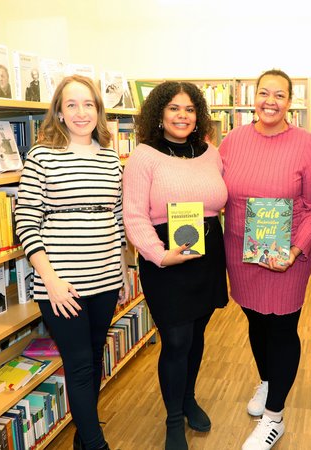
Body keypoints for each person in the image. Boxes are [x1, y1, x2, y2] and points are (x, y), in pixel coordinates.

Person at [15, 74, 129, 450]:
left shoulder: (111, 157)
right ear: (59, 113)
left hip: (106, 279)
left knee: (94, 358)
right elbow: (26, 220)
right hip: (61, 285)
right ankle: (97, 444)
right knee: (80, 363)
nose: (81, 112)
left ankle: (83, 438)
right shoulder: (42, 156)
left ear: (99, 110)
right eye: (71, 105)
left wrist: (124, 268)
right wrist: (50, 279)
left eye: (88, 104)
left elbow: (115, 216)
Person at [220, 69, 311, 450]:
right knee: (255, 320)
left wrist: (295, 250)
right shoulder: (231, 141)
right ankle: (267, 382)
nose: (270, 101)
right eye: (264, 93)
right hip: (241, 254)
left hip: (287, 256)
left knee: (280, 328)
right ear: (254, 97)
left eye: (279, 95)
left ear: (290, 102)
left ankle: (274, 417)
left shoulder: (307, 144)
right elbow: (220, 194)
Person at [123, 81, 228, 450]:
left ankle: (188, 399)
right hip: (166, 261)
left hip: (208, 256)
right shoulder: (144, 157)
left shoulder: (211, 153)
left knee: (197, 336)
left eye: (189, 109)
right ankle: (172, 420)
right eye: (173, 109)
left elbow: (222, 200)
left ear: (198, 114)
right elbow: (134, 215)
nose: (182, 116)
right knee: (176, 339)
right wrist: (158, 254)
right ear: (159, 114)